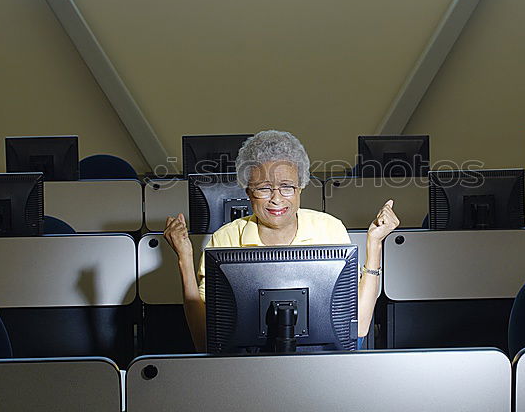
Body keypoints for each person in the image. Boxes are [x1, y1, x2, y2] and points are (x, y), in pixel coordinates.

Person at [164, 129, 399, 351]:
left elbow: (358, 327)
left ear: (301, 188)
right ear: (247, 192)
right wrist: (185, 258)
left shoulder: (329, 228)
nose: (276, 199)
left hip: (320, 364)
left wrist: (374, 244)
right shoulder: (225, 238)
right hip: (247, 366)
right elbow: (205, 341)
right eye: (264, 189)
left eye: (287, 187)